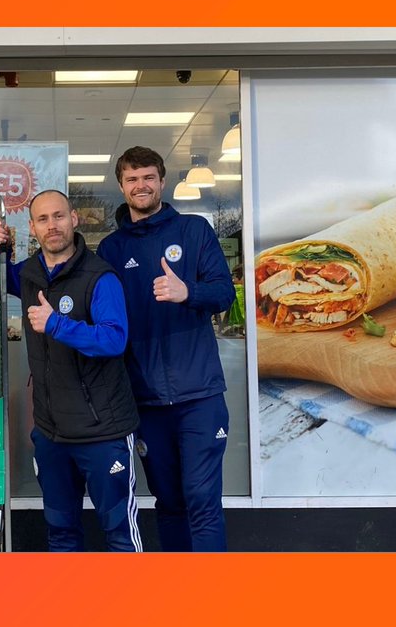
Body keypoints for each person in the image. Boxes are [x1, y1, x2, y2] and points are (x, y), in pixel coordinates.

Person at [98, 146, 235, 552]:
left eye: (148, 177)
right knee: (169, 503)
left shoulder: (194, 231)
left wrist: (186, 290)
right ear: (122, 187)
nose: (141, 185)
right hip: (145, 401)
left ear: (161, 181)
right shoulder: (111, 250)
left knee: (202, 500)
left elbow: (224, 292)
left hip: (200, 395)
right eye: (132, 179)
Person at [3, 190, 142, 552]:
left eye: (59, 216)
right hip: (52, 435)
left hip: (102, 432)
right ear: (32, 227)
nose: (53, 226)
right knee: (61, 534)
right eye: (44, 219)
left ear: (74, 219)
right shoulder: (30, 273)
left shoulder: (100, 277)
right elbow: (1, 278)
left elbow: (114, 340)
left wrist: (56, 324)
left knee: (120, 535)